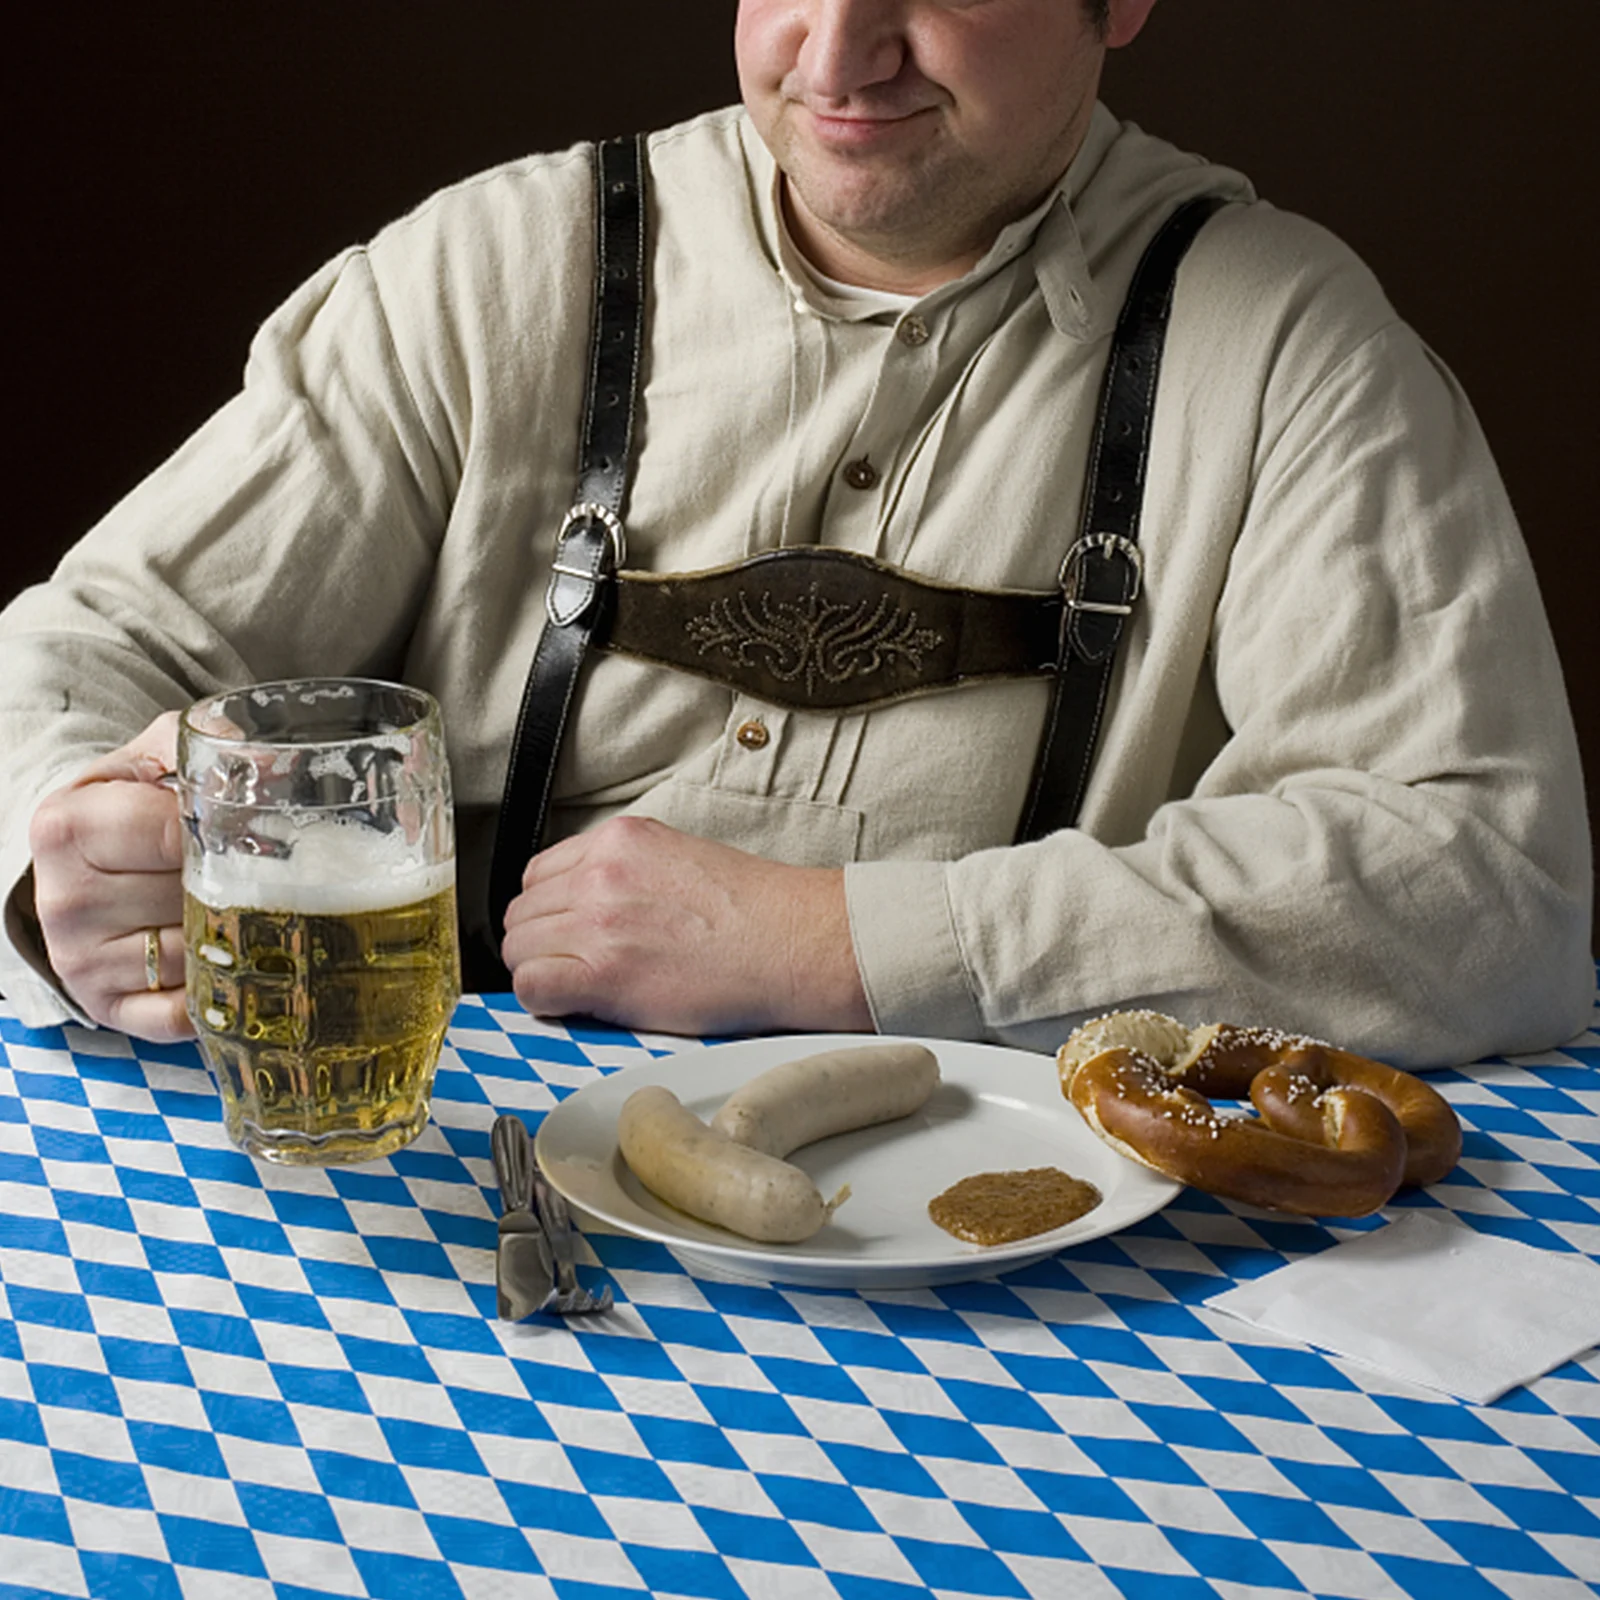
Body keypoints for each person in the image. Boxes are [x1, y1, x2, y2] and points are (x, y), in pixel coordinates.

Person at [0, 0, 1590, 1065]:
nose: (838, 59)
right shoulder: (490, 268)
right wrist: (62, 833)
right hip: (451, 1208)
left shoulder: (1294, 347)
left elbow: (1490, 887)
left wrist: (850, 944)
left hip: (1018, 1300)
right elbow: (79, 649)